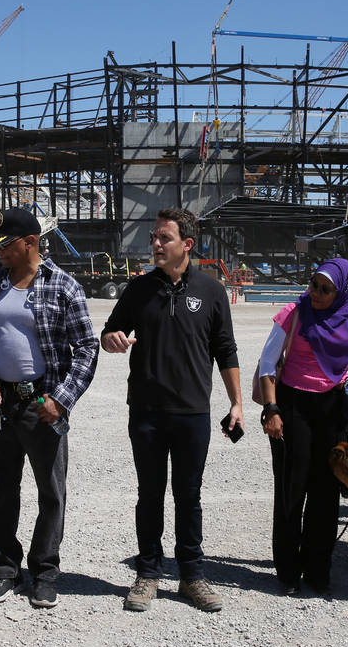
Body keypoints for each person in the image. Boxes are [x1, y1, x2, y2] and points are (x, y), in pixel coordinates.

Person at [102, 207, 243, 613]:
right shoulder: (138, 289)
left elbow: (225, 350)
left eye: (164, 238)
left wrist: (235, 402)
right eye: (154, 238)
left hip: (192, 413)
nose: (156, 244)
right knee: (150, 494)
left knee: (189, 495)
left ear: (187, 244)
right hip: (145, 411)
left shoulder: (213, 291)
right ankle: (147, 574)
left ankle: (192, 577)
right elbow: (111, 331)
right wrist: (112, 340)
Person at [0, 207, 98, 609]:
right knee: (1, 490)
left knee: (51, 493)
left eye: (5, 246)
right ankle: (5, 568)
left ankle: (44, 572)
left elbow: (87, 347)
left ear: (30, 243)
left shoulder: (63, 286)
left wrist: (61, 400)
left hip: (42, 404)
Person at [256, 258, 348, 596]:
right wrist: (271, 409)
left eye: (326, 289)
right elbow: (267, 362)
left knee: (325, 494)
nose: (317, 293)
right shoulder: (294, 313)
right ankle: (289, 571)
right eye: (314, 285)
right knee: (291, 491)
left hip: (333, 412)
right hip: (291, 407)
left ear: (344, 292)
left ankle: (318, 570)